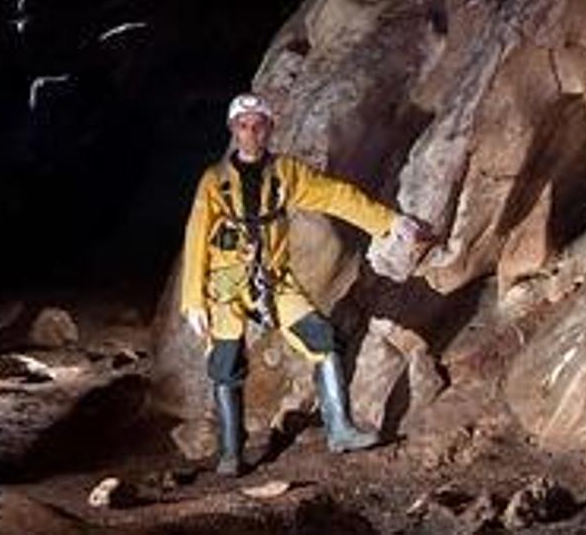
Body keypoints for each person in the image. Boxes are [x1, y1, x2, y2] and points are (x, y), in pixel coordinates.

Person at [180, 92, 432, 476]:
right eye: (244, 126)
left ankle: (341, 430)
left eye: (258, 125)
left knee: (322, 338)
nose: (251, 133)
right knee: (226, 362)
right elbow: (196, 236)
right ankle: (231, 453)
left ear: (269, 129)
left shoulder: (286, 173)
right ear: (233, 130)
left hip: (273, 281)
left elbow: (336, 196)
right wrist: (192, 299)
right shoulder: (214, 182)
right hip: (226, 286)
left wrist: (390, 223)